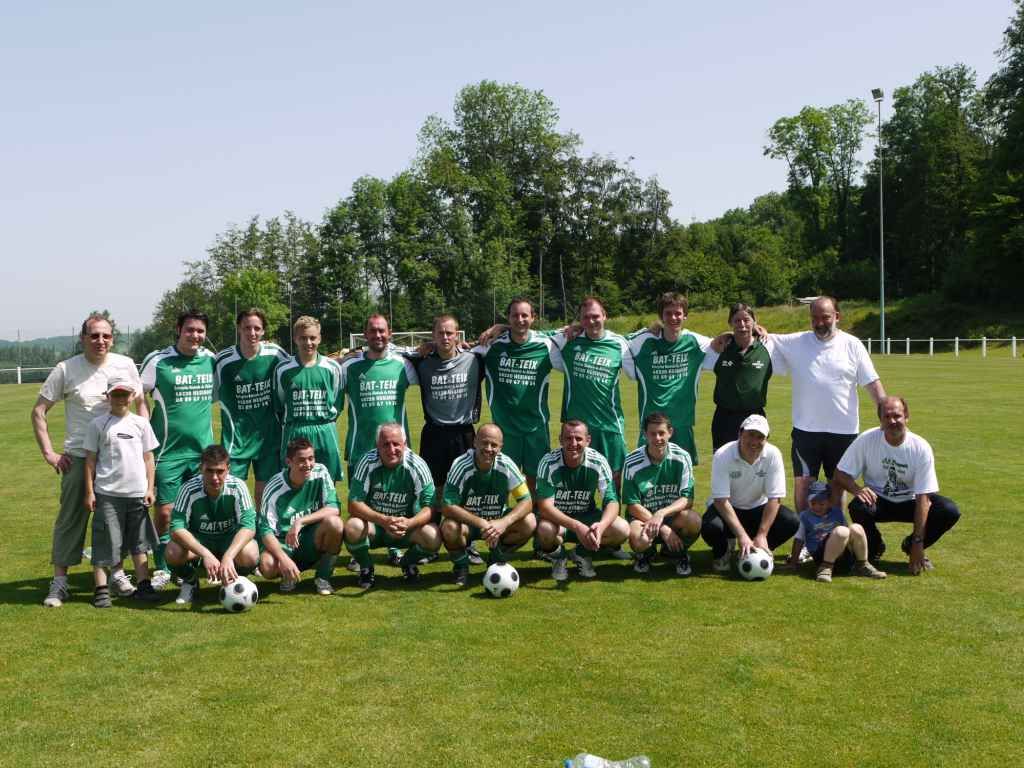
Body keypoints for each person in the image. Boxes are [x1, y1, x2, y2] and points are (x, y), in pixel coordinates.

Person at [32, 313, 145, 607]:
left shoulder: (126, 365)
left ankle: (118, 575)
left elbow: (142, 405)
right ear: (82, 338)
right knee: (71, 520)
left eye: (106, 335)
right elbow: (39, 411)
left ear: (113, 339)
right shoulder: (66, 369)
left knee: (116, 523)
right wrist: (50, 453)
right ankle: (60, 582)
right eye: (94, 335)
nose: (100, 341)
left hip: (120, 460)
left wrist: (141, 444)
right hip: (79, 459)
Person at [766, 296, 885, 513]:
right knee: (803, 483)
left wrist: (885, 412)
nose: (820, 323)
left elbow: (871, 383)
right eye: (815, 318)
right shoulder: (796, 341)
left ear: (837, 317)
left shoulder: (852, 345)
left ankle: (834, 537)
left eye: (825, 317)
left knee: (837, 485)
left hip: (843, 431)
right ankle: (804, 538)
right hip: (806, 431)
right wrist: (753, 328)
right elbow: (764, 338)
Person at [834, 396, 961, 574]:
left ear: (906, 417)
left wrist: (918, 543)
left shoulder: (920, 447)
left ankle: (909, 546)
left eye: (897, 416)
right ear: (880, 421)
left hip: (910, 502)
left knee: (948, 510)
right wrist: (857, 489)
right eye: (887, 417)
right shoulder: (867, 440)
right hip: (879, 501)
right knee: (858, 506)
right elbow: (840, 474)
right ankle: (874, 546)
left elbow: (923, 498)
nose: (892, 421)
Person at [140, 309, 216, 587]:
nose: (195, 335)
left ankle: (195, 560)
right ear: (179, 329)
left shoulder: (211, 361)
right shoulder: (158, 361)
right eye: (190, 330)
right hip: (167, 452)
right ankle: (162, 565)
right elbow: (138, 395)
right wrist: (143, 431)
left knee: (201, 510)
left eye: (200, 331)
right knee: (165, 512)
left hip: (203, 452)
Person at [407, 314, 485, 564]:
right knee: (434, 492)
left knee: (466, 490)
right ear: (433, 335)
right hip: (434, 433)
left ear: (457, 335)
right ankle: (431, 543)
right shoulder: (422, 362)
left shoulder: (475, 359)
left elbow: (500, 339)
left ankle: (467, 542)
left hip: (464, 433)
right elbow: (389, 350)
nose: (445, 337)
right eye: (440, 333)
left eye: (450, 333)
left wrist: (498, 326)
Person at [82, 374, 161, 606]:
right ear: (108, 396)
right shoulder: (98, 424)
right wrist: (90, 491)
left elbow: (149, 459)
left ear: (132, 396)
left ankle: (144, 585)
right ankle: (102, 590)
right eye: (116, 394)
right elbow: (90, 461)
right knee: (107, 542)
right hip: (108, 494)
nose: (120, 398)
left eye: (124, 394)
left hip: (137, 494)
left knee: (139, 543)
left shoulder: (141, 424)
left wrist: (149, 489)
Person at [470, 298, 563, 494]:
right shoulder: (492, 345)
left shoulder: (547, 344)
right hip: (504, 429)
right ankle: (501, 521)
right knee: (501, 482)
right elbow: (456, 350)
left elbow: (573, 330)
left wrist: (501, 326)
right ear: (508, 317)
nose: (520, 319)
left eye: (524, 315)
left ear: (533, 318)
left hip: (536, 428)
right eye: (514, 315)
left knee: (536, 482)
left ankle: (535, 520)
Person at [344, 423, 441, 588]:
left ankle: (407, 563)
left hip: (405, 528)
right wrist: (383, 520)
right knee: (352, 526)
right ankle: (366, 568)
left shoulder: (417, 464)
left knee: (433, 536)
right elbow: (353, 504)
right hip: (376, 527)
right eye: (385, 444)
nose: (391, 449)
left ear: (405, 444)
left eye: (396, 444)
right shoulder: (367, 462)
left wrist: (410, 523)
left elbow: (430, 507)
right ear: (377, 446)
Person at [701, 415, 799, 573]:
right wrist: (741, 536)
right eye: (750, 435)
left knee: (791, 521)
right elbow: (720, 500)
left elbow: (775, 498)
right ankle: (723, 551)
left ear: (766, 439)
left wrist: (762, 534)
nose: (754, 442)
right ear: (740, 434)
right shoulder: (723, 454)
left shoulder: (773, 454)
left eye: (760, 437)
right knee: (710, 527)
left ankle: (758, 548)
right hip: (728, 508)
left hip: (757, 508)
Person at [441, 424, 535, 585]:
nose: (489, 448)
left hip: (497, 523)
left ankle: (496, 558)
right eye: (484, 443)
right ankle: (461, 566)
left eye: (494, 445)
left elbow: (527, 501)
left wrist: (503, 522)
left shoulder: (506, 464)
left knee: (530, 521)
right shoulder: (461, 464)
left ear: (501, 447)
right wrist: (481, 522)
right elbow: (447, 505)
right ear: (475, 442)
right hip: (468, 525)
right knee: (449, 528)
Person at [164, 444, 259, 605]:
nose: (215, 477)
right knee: (173, 551)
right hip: (201, 543)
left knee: (251, 553)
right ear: (201, 468)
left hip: (229, 541)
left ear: (228, 469)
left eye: (220, 471)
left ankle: (234, 578)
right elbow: (176, 528)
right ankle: (190, 580)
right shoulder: (188, 489)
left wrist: (229, 556)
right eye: (210, 471)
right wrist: (205, 554)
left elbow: (248, 526)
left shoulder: (238, 487)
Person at [214, 308, 290, 509]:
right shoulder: (223, 361)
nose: (252, 333)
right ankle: (232, 535)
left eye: (257, 328)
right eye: (247, 327)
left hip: (268, 438)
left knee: (264, 496)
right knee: (229, 494)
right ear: (239, 328)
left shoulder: (276, 354)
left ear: (264, 331)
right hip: (236, 441)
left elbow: (295, 370)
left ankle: (261, 535)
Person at [550, 297, 634, 477]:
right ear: (580, 320)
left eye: (595, 316)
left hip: (609, 423)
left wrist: (656, 326)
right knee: (576, 477)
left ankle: (613, 507)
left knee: (616, 477)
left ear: (605, 316)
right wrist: (501, 328)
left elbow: (644, 342)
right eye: (585, 318)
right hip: (577, 426)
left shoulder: (619, 344)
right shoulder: (568, 339)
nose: (591, 321)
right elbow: (527, 332)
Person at [626, 292, 714, 464]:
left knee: (684, 479)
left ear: (685, 315)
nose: (673, 317)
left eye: (678, 313)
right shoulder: (644, 342)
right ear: (661, 316)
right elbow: (615, 341)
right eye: (668, 313)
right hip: (652, 426)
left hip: (682, 424)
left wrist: (754, 328)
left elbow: (722, 342)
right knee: (647, 476)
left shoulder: (695, 342)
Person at [535, 421, 629, 581]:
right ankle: (559, 557)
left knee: (622, 529)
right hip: (559, 522)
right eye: (568, 438)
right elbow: (544, 507)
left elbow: (612, 501)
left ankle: (580, 553)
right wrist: (577, 526)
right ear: (560, 439)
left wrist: (601, 526)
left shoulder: (598, 461)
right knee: (544, 531)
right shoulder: (548, 462)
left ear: (588, 440)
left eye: (578, 438)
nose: (573, 444)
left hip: (587, 518)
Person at [257, 438, 344, 595]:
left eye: (311, 458)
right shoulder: (275, 487)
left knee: (335, 524)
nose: (308, 464)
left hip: (310, 540)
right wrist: (283, 559)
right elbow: (265, 531)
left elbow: (334, 508)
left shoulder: (320, 472)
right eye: (301, 460)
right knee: (268, 566)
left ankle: (323, 578)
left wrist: (300, 521)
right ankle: (287, 574)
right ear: (289, 462)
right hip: (284, 543)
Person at [623, 413, 701, 577]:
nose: (657, 438)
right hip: (643, 518)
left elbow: (687, 499)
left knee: (693, 520)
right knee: (639, 539)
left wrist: (662, 514)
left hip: (672, 516)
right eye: (652, 434)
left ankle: (675, 552)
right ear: (645, 434)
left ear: (670, 432)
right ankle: (645, 553)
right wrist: (663, 528)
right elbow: (632, 504)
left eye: (661, 433)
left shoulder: (682, 457)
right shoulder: (632, 461)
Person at [273, 316, 344, 482]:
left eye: (312, 338)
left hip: (325, 430)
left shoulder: (332, 367)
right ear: (295, 339)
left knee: (327, 483)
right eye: (303, 338)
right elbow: (279, 405)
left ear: (319, 338)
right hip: (295, 430)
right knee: (294, 482)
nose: (308, 342)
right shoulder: (283, 369)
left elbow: (337, 404)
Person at [788, 480, 887, 582]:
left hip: (843, 557)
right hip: (821, 555)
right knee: (841, 532)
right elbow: (799, 539)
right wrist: (793, 563)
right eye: (813, 503)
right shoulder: (804, 516)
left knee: (856, 528)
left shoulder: (837, 512)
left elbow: (849, 535)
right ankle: (825, 568)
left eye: (821, 504)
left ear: (829, 502)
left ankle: (862, 565)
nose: (817, 507)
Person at [706, 303, 773, 451]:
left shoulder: (768, 346)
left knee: (755, 465)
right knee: (724, 464)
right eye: (737, 320)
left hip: (755, 416)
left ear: (755, 322)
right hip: (725, 418)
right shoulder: (720, 348)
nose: (742, 325)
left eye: (746, 320)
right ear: (730, 323)